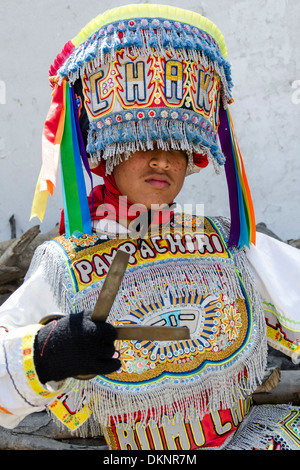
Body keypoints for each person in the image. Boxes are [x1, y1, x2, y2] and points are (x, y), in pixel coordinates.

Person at [0, 3, 300, 451]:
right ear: (107, 155)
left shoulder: (223, 242)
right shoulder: (65, 264)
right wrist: (47, 352)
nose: (162, 160)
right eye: (143, 143)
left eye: (176, 147)